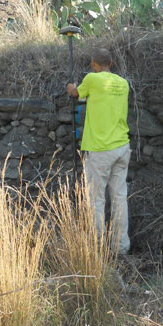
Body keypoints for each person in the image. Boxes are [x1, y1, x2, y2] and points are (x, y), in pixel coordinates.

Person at [67, 47, 131, 254]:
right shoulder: (123, 84)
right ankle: (121, 247)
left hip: (100, 148)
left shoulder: (92, 80)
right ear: (111, 63)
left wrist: (71, 88)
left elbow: (76, 94)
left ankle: (98, 247)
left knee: (96, 198)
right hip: (122, 146)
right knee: (119, 197)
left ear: (94, 64)